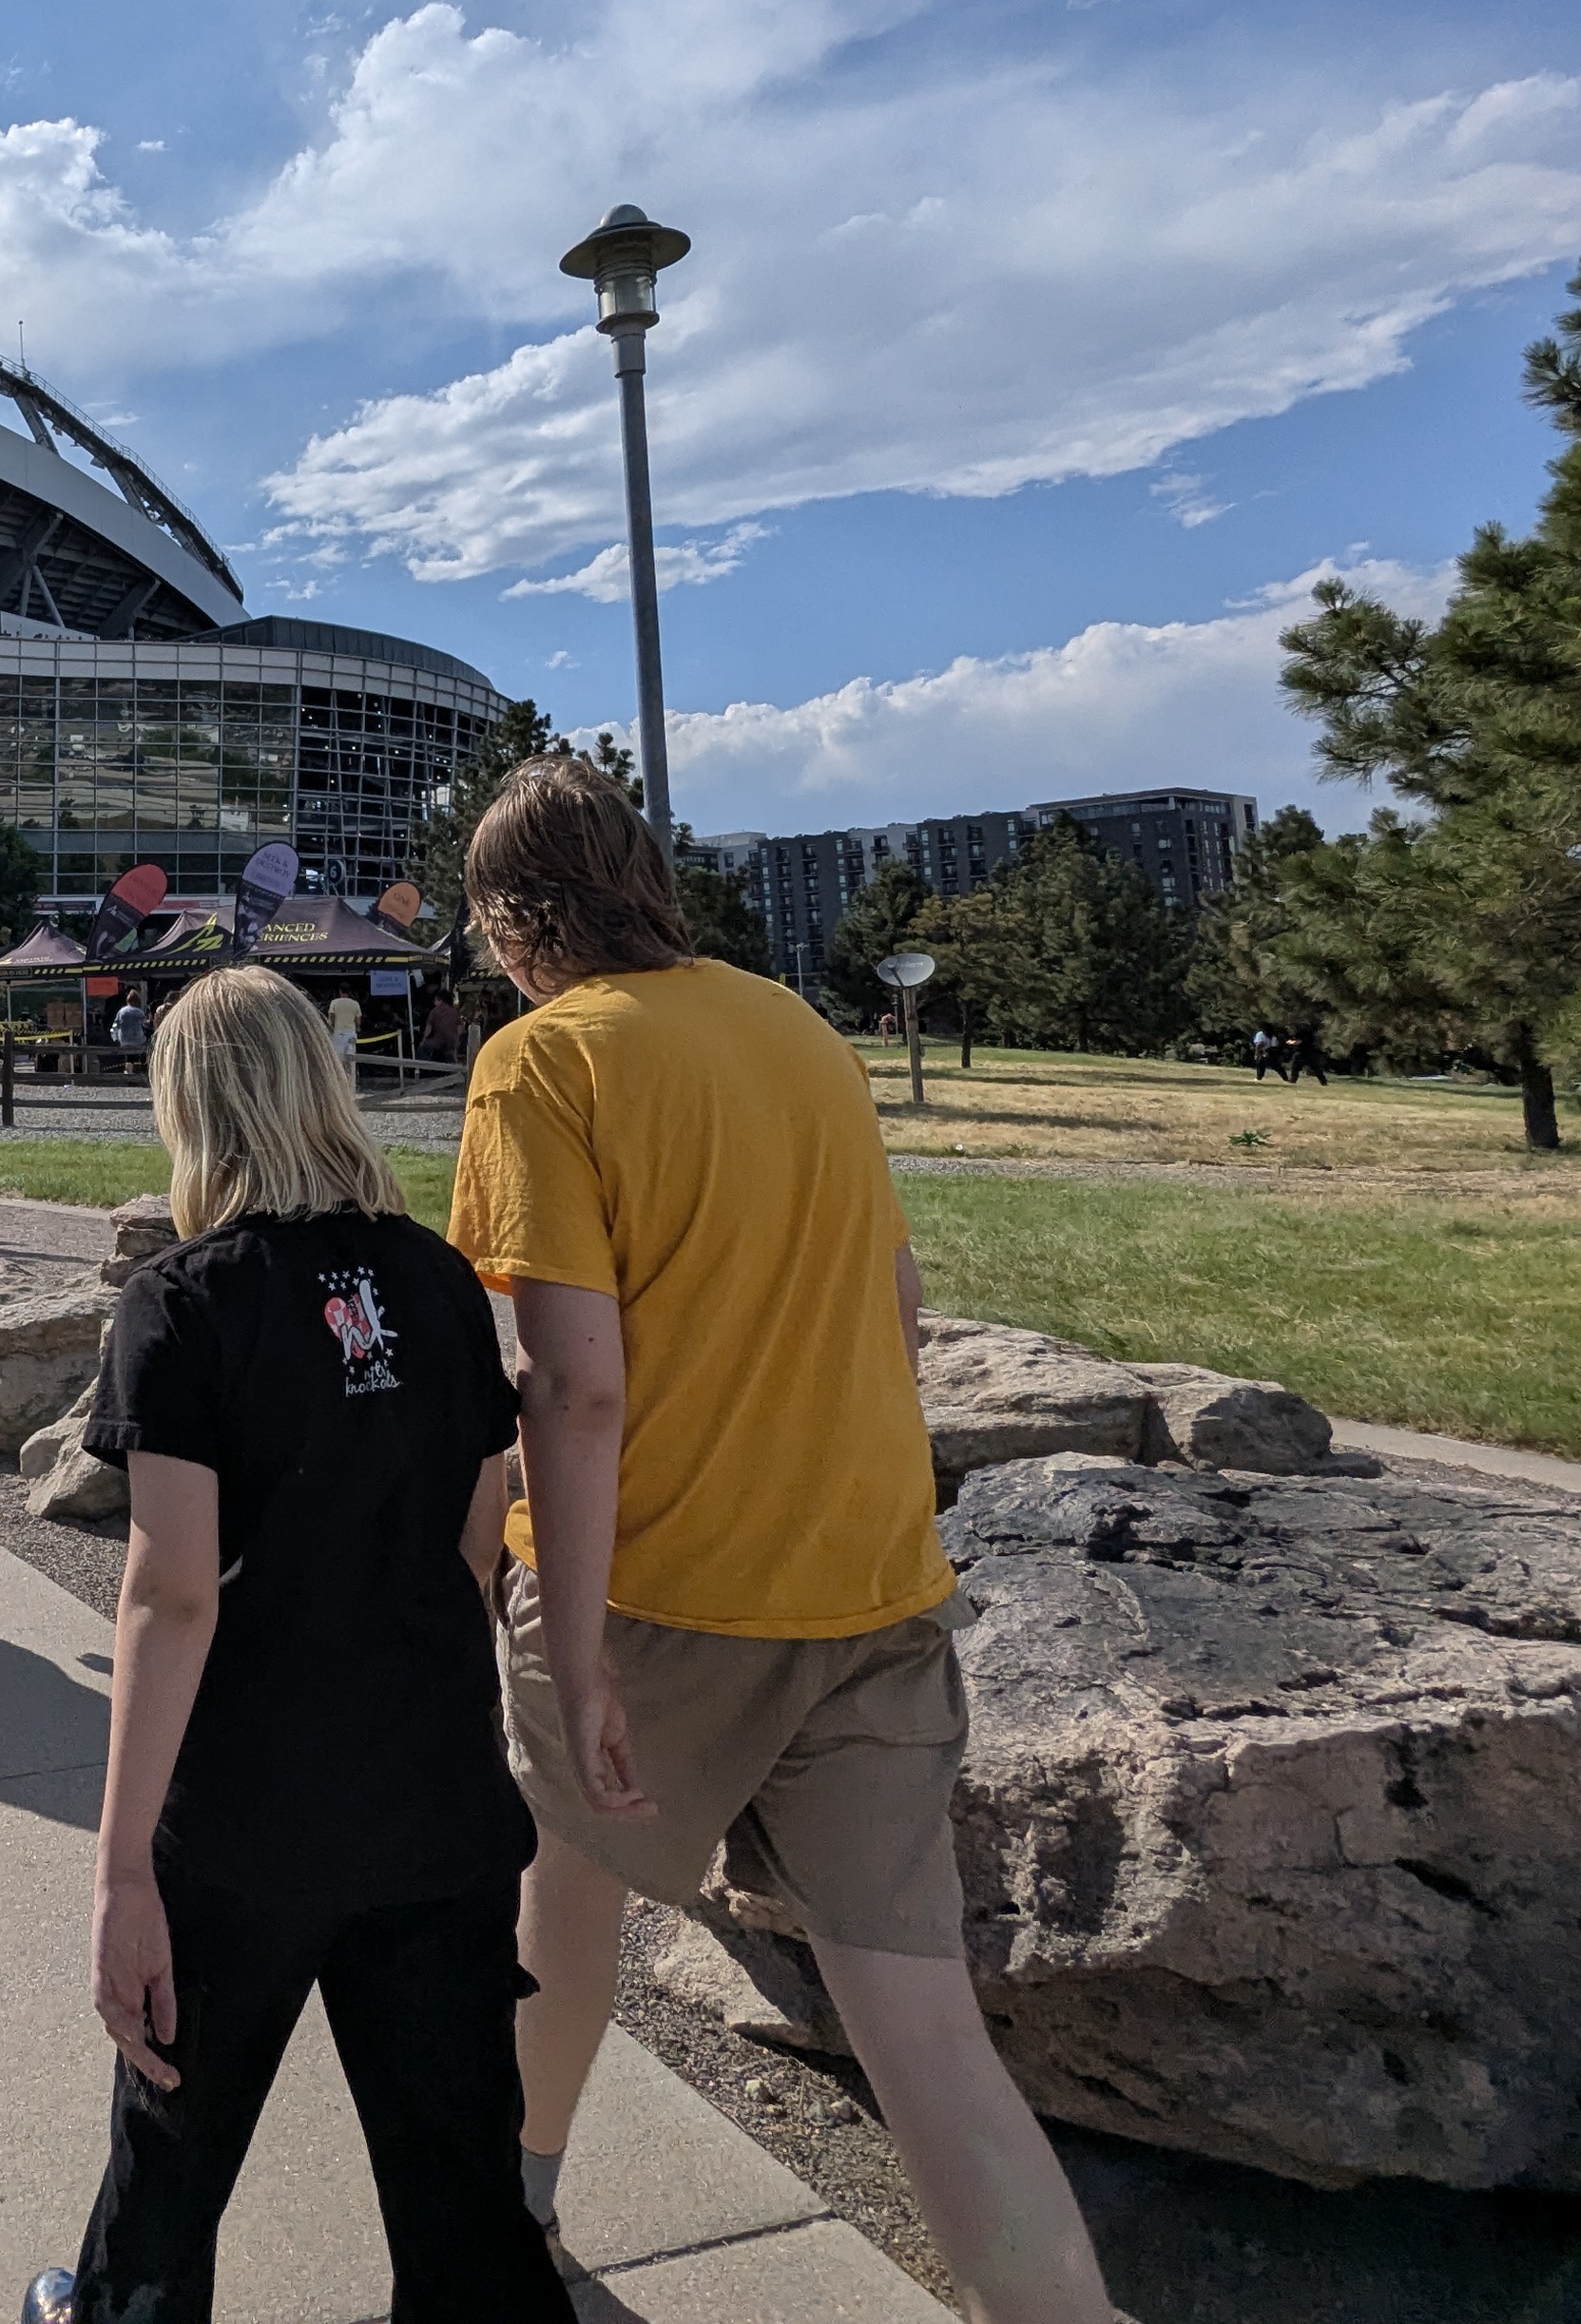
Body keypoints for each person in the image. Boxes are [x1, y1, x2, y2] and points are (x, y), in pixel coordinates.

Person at [448, 759, 1112, 2322]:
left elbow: (573, 1383)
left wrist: (588, 1637)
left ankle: (505, 2220)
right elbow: (898, 1308)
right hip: (870, 1584)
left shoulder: (541, 1064)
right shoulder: (801, 1031)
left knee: (561, 1916)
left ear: (509, 919)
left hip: (660, 1587)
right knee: (924, 2029)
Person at [24, 965, 559, 2324]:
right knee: (465, 2205)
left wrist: (119, 1871)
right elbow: (476, 1535)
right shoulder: (438, 1283)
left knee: (169, 2178)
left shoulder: (183, 1303)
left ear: (189, 1109)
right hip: (435, 1806)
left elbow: (173, 1595)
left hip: (246, 1827)